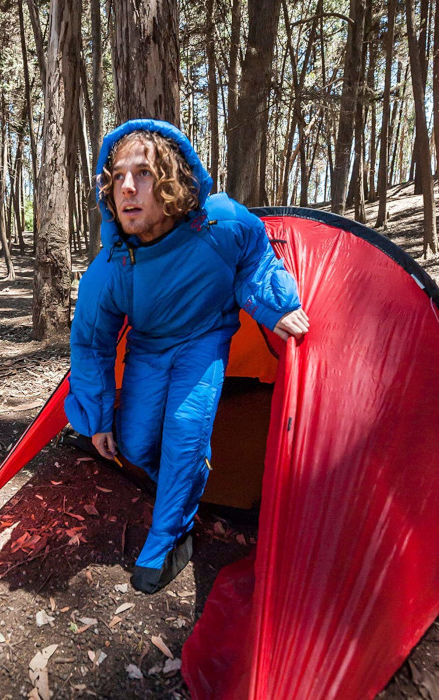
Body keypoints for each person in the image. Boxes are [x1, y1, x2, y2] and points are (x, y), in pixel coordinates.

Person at [65, 120, 309, 594]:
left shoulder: (219, 224)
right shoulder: (112, 266)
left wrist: (276, 304)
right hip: (149, 351)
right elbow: (91, 344)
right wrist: (95, 419)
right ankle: (190, 478)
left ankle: (169, 536)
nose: (128, 188)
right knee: (134, 446)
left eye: (144, 173)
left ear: (172, 181)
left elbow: (254, 255)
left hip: (205, 339)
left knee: (183, 432)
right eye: (117, 176)